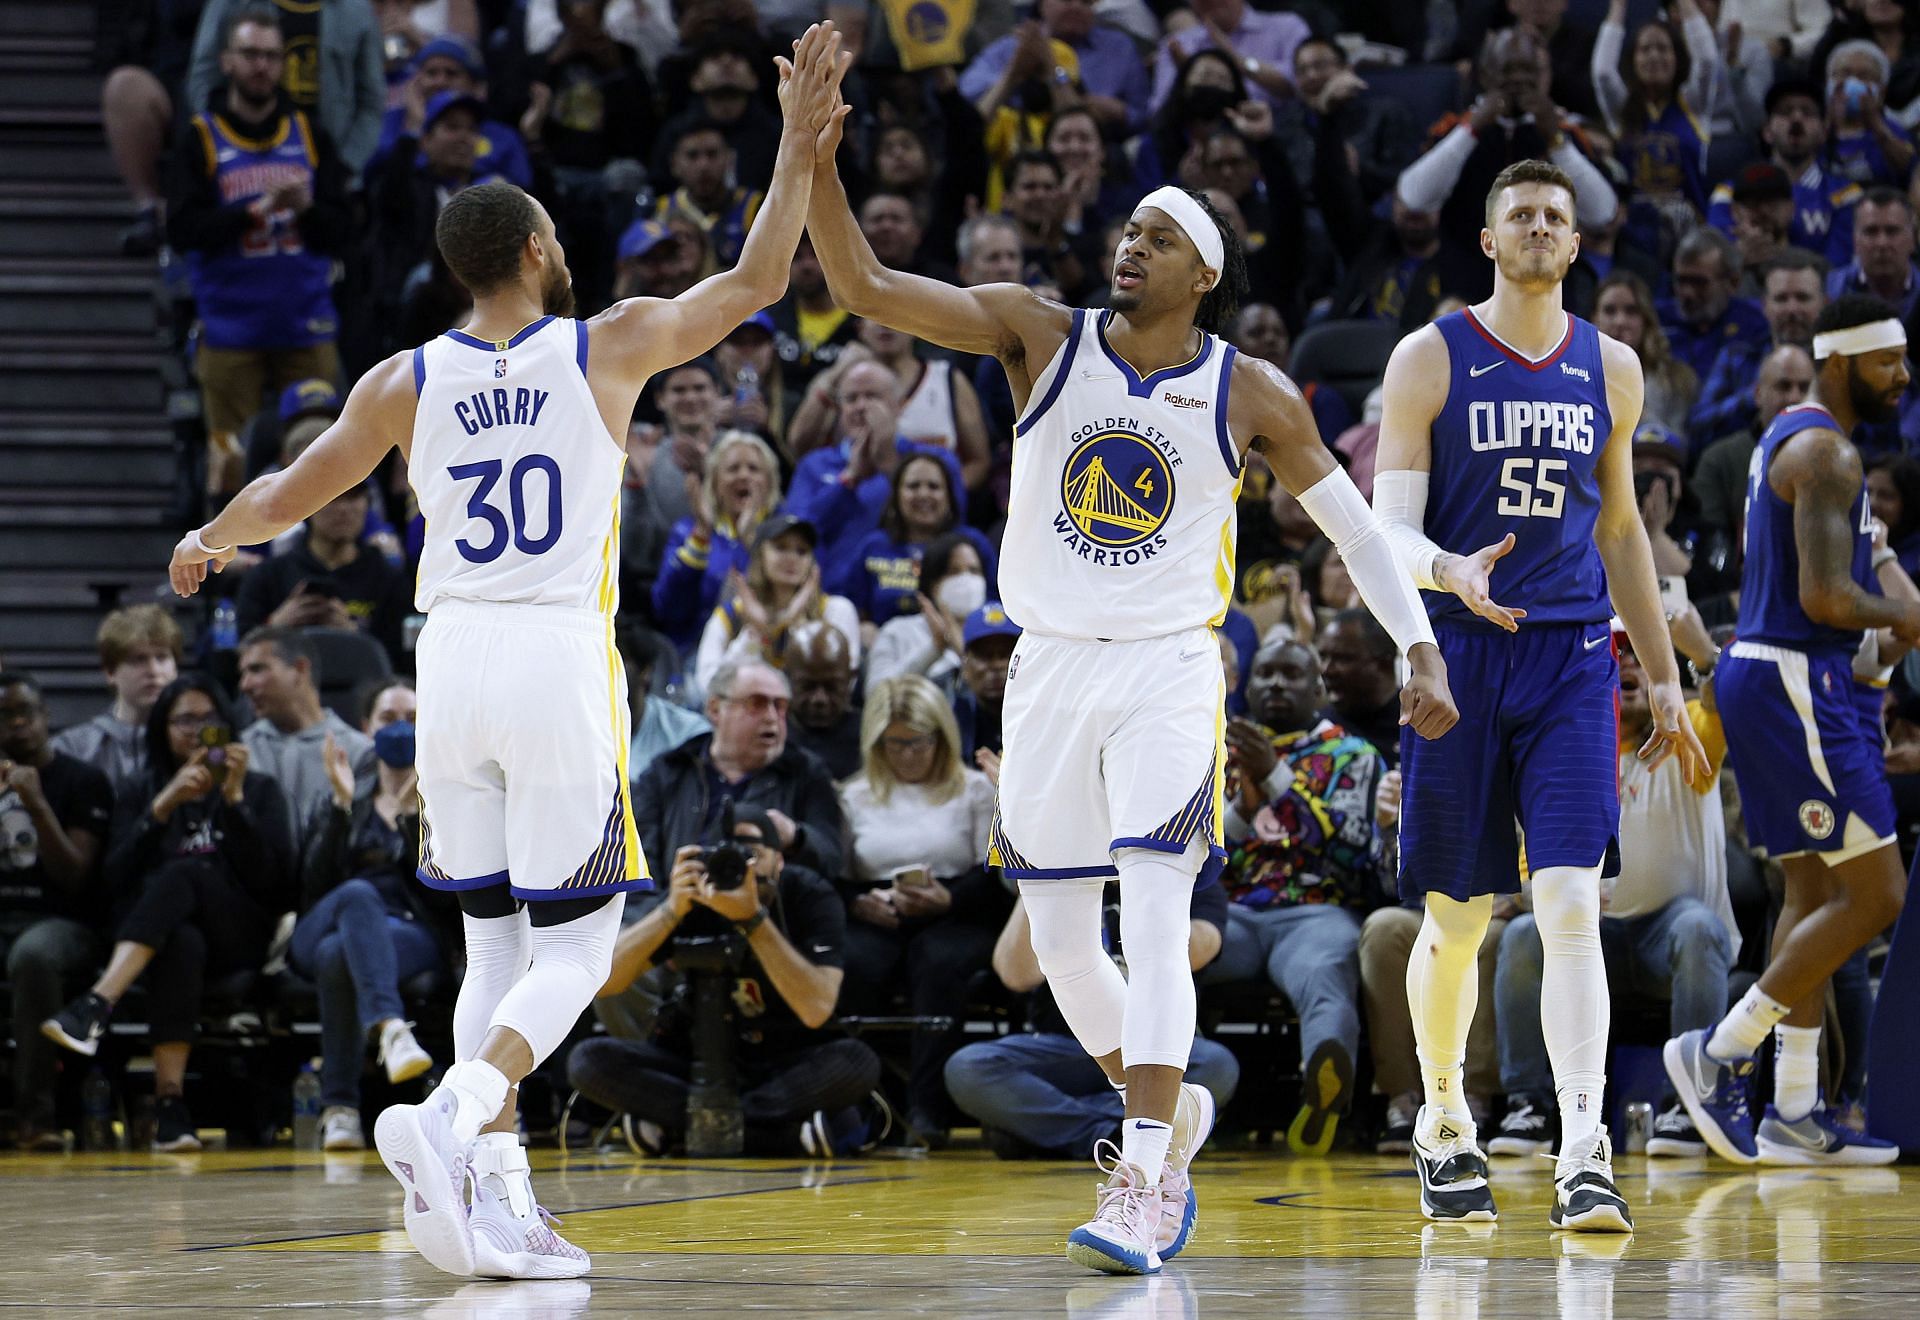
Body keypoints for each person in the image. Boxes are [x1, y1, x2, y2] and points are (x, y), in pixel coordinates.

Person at [160, 23, 850, 1282]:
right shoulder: (604, 343)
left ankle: (498, 1204)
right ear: (538, 249)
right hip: (552, 656)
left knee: (493, 946)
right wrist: (800, 148)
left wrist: (207, 538)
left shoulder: (401, 380)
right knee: (579, 946)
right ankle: (455, 1116)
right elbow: (756, 283)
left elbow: (292, 492)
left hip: (451, 663)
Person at [805, 84, 1455, 1270]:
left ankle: (1145, 1169)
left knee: (1155, 920)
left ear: (1201, 271)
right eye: (1128, 232)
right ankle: (1169, 1109)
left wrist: (1417, 643)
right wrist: (818, 161)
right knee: (1057, 945)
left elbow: (1357, 535)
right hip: (1046, 668)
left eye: (1155, 237)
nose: (1128, 245)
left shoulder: (1248, 391)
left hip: (1166, 668)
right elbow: (866, 292)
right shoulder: (1039, 335)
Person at [1372, 158, 1710, 1232]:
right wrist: (1446, 575)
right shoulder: (1428, 358)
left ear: (1574, 245)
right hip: (1459, 654)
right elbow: (1387, 531)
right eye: (1518, 213)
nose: (1536, 226)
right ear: (1489, 240)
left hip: (1570, 656)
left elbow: (1620, 531)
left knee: (1569, 904)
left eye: (1553, 217)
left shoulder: (1611, 367)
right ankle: (1441, 1121)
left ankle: (1583, 1149)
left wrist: (1660, 675)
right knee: (1460, 921)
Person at [1666, 294, 1912, 1169]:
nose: (1904, 377)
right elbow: (1826, 600)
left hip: (1774, 676)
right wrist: (1910, 618)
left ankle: (1795, 1111)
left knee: (1811, 897)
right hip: (1794, 677)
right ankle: (1721, 1051)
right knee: (1879, 895)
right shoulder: (1827, 452)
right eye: (1890, 362)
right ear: (1844, 362)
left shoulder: (1801, 439)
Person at [1491, 611, 1734, 1159]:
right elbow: (1531, 863)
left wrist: (1700, 654)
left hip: (1664, 933)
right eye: (1613, 650)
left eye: (1636, 652)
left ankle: (1690, 1107)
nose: (1624, 660)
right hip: (1588, 936)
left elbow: (1728, 703)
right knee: (1523, 936)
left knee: (1697, 928)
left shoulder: (1687, 728)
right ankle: (1527, 1107)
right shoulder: (1561, 746)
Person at [41, 675, 296, 1153]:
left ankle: (98, 1002)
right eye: (184, 720)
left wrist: (235, 802)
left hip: (239, 937)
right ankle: (170, 1106)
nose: (198, 731)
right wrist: (162, 807)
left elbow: (275, 887)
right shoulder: (143, 791)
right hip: (161, 943)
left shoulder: (258, 789)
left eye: (209, 720)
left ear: (227, 726)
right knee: (180, 940)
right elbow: (110, 882)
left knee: (187, 873)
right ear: (163, 728)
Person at [565, 805, 880, 1154]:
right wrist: (670, 909)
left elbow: (816, 1009)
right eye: (730, 853)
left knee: (857, 1062)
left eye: (753, 854)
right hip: (697, 1064)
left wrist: (753, 921)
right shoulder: (697, 895)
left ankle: (686, 1131)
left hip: (786, 1061)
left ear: (780, 861)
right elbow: (603, 982)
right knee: (588, 1061)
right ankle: (782, 1137)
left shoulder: (809, 894)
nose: (741, 866)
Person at [1207, 640, 1386, 1157]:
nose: (1277, 684)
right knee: (1169, 956)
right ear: (1246, 683)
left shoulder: (1352, 756)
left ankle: (1323, 1089)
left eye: (1291, 674)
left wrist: (1276, 778)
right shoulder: (1215, 749)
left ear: (1318, 688)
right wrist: (1246, 799)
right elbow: (1208, 850)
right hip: (1233, 912)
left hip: (1316, 912)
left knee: (1325, 975)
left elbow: (1352, 853)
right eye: (1265, 674)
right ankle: (1180, 1095)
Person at [170, 6, 354, 497]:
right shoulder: (201, 137)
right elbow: (182, 228)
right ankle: (227, 568)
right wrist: (251, 213)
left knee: (322, 458)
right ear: (227, 61)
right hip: (230, 327)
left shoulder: (311, 135)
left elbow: (345, 231)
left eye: (271, 56)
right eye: (250, 54)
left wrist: (307, 208)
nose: (261, 66)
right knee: (229, 463)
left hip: (305, 322)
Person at [945, 881, 1242, 1170]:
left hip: (1150, 1050)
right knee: (968, 1067)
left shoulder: (1179, 871)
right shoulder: (1063, 873)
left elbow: (1203, 947)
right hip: (1064, 1049)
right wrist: (1039, 876)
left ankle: (1049, 1131)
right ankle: (1122, 1136)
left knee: (1216, 1064)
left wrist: (1146, 885)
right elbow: (1015, 973)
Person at [836, 675, 1003, 1142]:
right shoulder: (853, 796)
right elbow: (840, 876)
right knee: (852, 963)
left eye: (919, 743)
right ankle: (865, 1105)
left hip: (958, 909)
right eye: (895, 744)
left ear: (942, 738)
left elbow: (995, 877)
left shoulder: (972, 790)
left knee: (938, 963)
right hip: (879, 910)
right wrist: (858, 902)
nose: (908, 754)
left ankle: (928, 1110)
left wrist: (950, 898)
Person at [295, 678, 455, 1151]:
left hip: (408, 932)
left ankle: (341, 1108)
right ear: (367, 727)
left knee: (337, 957)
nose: (400, 729)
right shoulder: (345, 798)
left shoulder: (445, 807)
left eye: (412, 719)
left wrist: (411, 822)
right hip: (325, 921)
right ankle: (390, 1027)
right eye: (388, 719)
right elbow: (311, 891)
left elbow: (446, 902)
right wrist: (342, 807)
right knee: (357, 896)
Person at [0, 673, 113, 1151]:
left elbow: (75, 876)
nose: (17, 725)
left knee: (34, 956)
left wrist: (36, 803)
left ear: (47, 718)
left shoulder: (82, 780)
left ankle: (37, 1116)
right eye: (5, 717)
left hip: (64, 923)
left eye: (26, 713)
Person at [633, 658, 850, 887]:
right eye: (757, 703)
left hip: (767, 914)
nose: (771, 717)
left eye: (780, 706)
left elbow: (832, 861)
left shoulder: (807, 773)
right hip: (676, 911)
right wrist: (668, 913)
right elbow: (639, 870)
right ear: (715, 709)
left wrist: (796, 837)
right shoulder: (668, 771)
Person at [234, 481, 413, 658]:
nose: (343, 509)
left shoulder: (388, 578)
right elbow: (235, 658)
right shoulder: (266, 576)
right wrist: (275, 626)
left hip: (363, 683)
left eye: (353, 497)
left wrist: (354, 635)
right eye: (333, 497)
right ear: (307, 507)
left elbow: (404, 658)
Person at [236, 628, 376, 851]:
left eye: (257, 669)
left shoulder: (360, 752)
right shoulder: (239, 751)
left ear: (299, 669)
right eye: (243, 674)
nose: (245, 685)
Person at [691, 514, 861, 696]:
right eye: (781, 547)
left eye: (802, 551)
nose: (792, 558)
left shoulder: (835, 611)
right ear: (759, 556)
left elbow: (843, 688)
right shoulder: (731, 615)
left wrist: (795, 627)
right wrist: (756, 636)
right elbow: (707, 688)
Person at [648, 429, 784, 656]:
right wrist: (702, 534)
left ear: (770, 481)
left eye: (753, 469)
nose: (743, 476)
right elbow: (667, 608)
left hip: (769, 655)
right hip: (694, 656)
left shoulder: (787, 534)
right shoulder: (687, 531)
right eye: (733, 469)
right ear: (715, 482)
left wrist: (749, 541)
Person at [834, 453, 998, 625]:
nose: (923, 494)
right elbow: (852, 608)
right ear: (896, 496)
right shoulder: (874, 546)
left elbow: (996, 604)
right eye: (913, 486)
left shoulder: (972, 544)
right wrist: (864, 629)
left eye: (934, 486)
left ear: (949, 496)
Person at [50, 605, 183, 800]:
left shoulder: (194, 739)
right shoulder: (72, 748)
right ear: (110, 672)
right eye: (138, 660)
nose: (154, 671)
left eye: (162, 657)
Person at [1693, 343, 1817, 539]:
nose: (1794, 397)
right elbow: (1709, 543)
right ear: (1758, 394)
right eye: (1783, 386)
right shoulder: (1719, 460)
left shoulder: (1835, 456)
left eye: (1804, 388)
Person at [865, 533, 988, 689]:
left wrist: (962, 652)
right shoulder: (897, 632)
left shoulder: (996, 634)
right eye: (954, 571)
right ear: (933, 585)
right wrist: (934, 648)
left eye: (974, 570)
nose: (967, 579)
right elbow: (875, 694)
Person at [1593, 270, 1701, 436]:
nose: (1620, 321)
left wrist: (1639, 415)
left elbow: (1680, 446)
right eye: (1609, 311)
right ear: (1594, 319)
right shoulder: (1572, 377)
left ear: (1646, 320)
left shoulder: (1678, 381)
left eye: (1631, 311)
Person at [1315, 610, 1405, 767]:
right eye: (1323, 657)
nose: (1326, 669)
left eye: (1343, 658)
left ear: (1384, 662)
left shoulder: (1419, 725)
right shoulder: (1319, 729)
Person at [785, 623, 862, 780]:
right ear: (788, 678)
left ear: (851, 679)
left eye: (832, 686)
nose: (819, 699)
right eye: (807, 686)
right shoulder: (770, 738)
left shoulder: (870, 738)